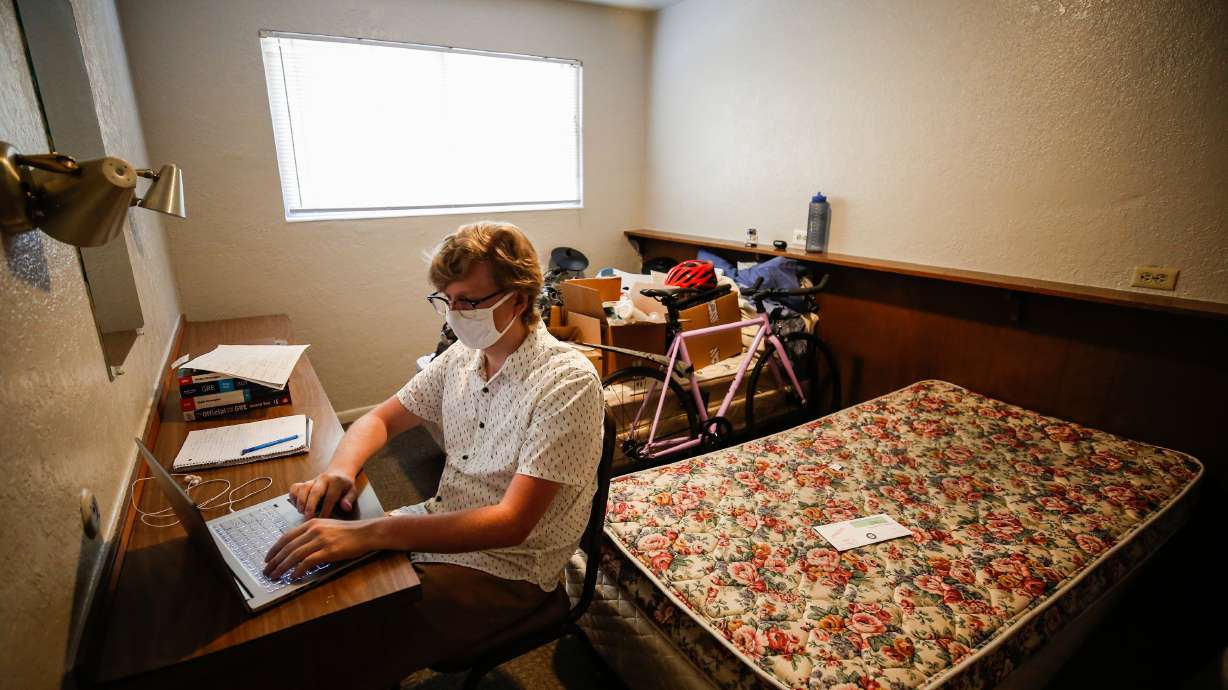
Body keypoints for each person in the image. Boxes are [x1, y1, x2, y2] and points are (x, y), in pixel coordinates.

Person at [262, 221, 604, 673]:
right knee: (319, 586)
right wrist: (340, 469)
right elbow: (381, 418)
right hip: (443, 523)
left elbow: (512, 524)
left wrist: (372, 532)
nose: (453, 313)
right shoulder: (463, 358)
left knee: (345, 628)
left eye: (468, 301)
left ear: (518, 299)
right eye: (445, 300)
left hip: (509, 567)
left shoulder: (566, 382)